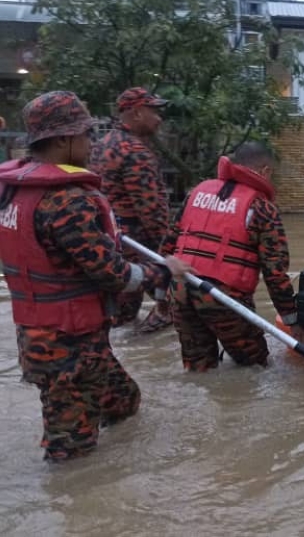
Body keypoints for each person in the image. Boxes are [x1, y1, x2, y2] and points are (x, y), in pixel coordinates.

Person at [0, 91, 191, 462]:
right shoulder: (66, 200)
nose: (92, 144)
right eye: (85, 135)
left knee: (123, 401)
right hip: (68, 344)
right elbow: (114, 275)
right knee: (70, 455)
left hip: (42, 333)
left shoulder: (13, 191)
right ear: (62, 140)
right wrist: (165, 270)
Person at [158, 142, 304, 371]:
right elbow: (275, 274)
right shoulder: (261, 208)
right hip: (223, 297)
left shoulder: (196, 192)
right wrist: (292, 321)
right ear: (265, 171)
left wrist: (160, 297)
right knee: (256, 367)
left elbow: (166, 249)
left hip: (180, 290)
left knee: (199, 370)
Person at [90, 87, 172, 332]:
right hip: (136, 249)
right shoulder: (135, 152)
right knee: (171, 307)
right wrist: (169, 252)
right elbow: (152, 212)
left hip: (108, 243)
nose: (159, 118)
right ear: (137, 113)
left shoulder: (100, 145)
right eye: (154, 111)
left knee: (117, 318)